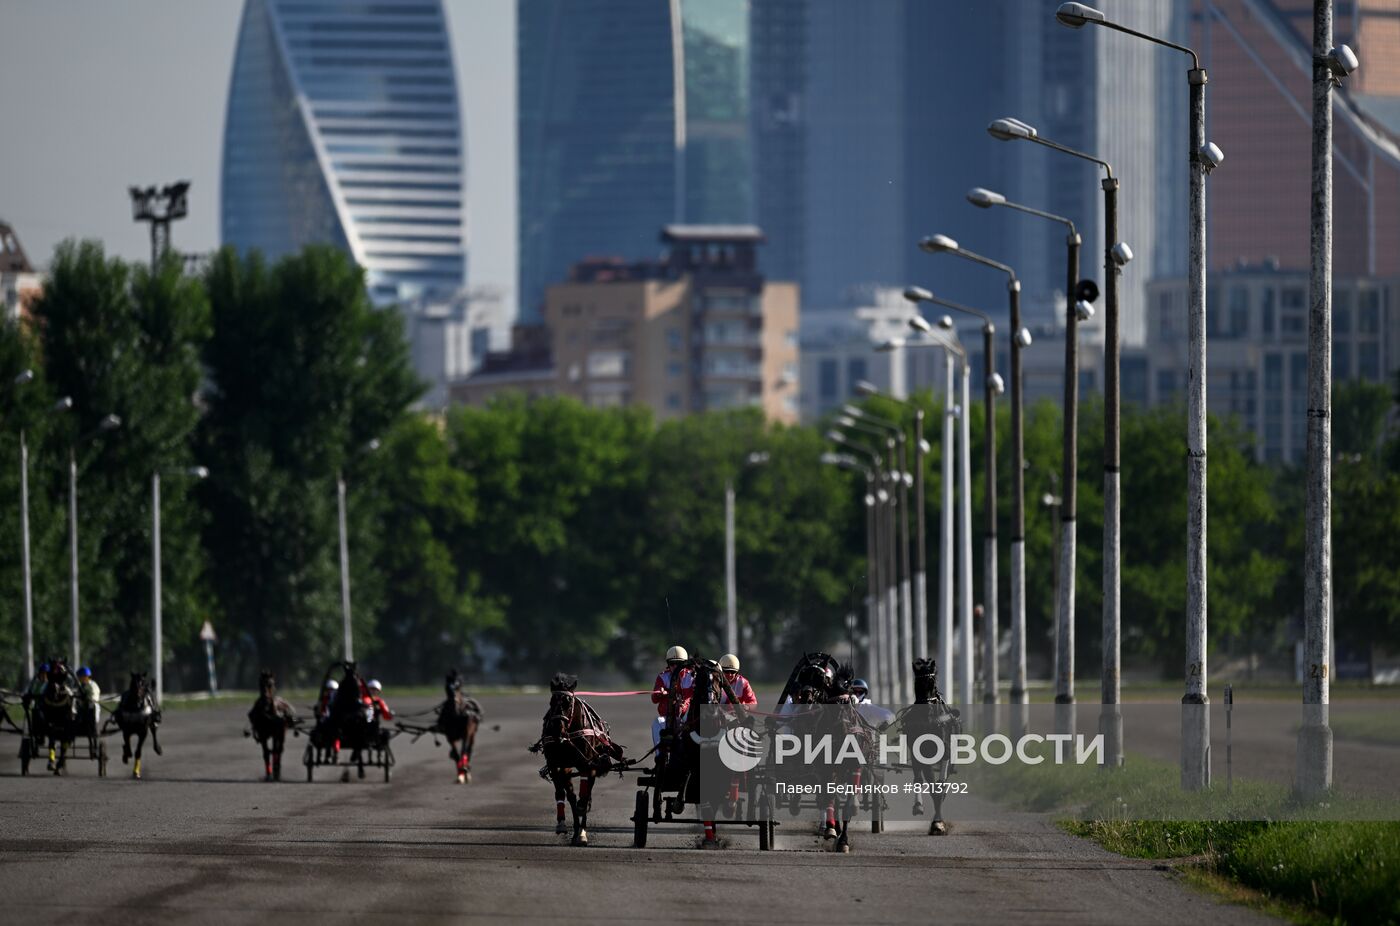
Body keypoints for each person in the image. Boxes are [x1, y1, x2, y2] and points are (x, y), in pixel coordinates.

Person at [651, 645, 693, 746]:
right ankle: (660, 757)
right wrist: (660, 693)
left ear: (685, 664)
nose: (675, 666)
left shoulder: (692, 677)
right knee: (657, 722)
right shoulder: (662, 677)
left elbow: (690, 698)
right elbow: (654, 699)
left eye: (678, 663)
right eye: (672, 663)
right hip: (669, 718)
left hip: (689, 718)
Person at [75, 667, 101, 733]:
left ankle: (93, 727)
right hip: (82, 707)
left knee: (92, 707)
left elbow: (94, 697)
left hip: (91, 707)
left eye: (80, 677)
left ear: (86, 677)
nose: (79, 679)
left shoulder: (92, 685)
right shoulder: (81, 686)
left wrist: (87, 699)